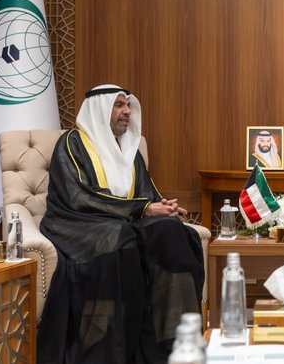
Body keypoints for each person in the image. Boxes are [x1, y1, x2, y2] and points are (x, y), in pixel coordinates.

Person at [37, 85, 205, 364]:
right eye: (119, 105)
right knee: (119, 239)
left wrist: (165, 208)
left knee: (172, 232)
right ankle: (116, 352)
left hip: (124, 220)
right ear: (99, 109)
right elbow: (78, 197)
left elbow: (147, 194)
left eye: (128, 105)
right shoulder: (72, 143)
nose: (127, 111)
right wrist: (143, 208)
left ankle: (171, 347)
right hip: (78, 223)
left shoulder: (129, 149)